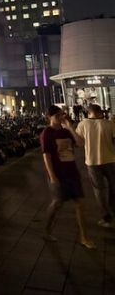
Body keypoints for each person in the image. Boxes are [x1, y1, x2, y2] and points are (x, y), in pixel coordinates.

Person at [41, 105, 95, 248]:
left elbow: (80, 143)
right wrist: (52, 176)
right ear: (50, 117)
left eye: (62, 115)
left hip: (72, 172)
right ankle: (46, 229)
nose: (60, 117)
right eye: (57, 115)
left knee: (79, 204)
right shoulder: (47, 133)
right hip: (58, 174)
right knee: (57, 203)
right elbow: (46, 155)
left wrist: (70, 127)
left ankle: (84, 237)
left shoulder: (66, 131)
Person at [75, 103, 115, 228]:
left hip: (92, 162)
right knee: (113, 186)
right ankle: (113, 209)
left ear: (89, 113)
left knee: (99, 189)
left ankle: (106, 216)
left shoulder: (82, 124)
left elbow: (79, 143)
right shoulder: (109, 124)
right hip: (110, 160)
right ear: (100, 112)